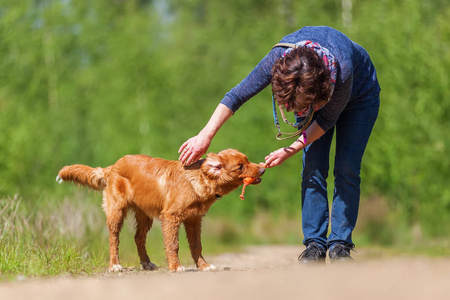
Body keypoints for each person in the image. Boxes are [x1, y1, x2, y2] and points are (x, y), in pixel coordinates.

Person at [178, 26, 380, 263]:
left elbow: (326, 120)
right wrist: (205, 135)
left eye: (300, 108)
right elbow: (236, 95)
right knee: (313, 166)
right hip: (308, 93)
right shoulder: (279, 59)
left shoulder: (342, 68)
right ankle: (315, 244)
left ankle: (340, 246)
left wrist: (290, 149)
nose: (295, 112)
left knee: (346, 168)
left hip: (360, 97)